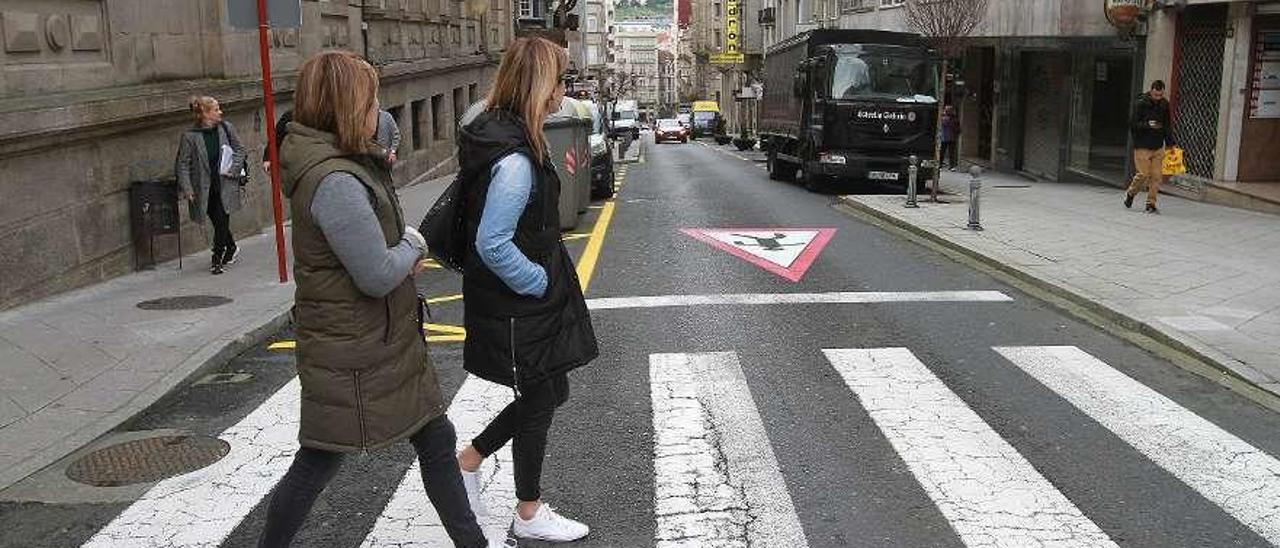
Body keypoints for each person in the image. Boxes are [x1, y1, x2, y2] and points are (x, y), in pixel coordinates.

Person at [262, 50, 499, 548]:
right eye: (371, 100)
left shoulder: (346, 164)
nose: (378, 110)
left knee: (435, 441)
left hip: (379, 341)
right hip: (355, 350)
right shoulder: (336, 180)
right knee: (318, 460)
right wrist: (413, 244)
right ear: (349, 106)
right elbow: (374, 273)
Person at [454, 36, 599, 543]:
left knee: (549, 389)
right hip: (522, 302)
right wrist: (537, 282)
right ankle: (529, 512)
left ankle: (469, 462)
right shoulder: (514, 158)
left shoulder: (510, 136)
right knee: (540, 395)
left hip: (521, 304)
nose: (564, 91)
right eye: (560, 81)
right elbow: (492, 243)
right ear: (540, 86)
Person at [174, 96, 246, 274]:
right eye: (216, 109)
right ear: (205, 114)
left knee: (222, 220)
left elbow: (240, 149)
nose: (220, 112)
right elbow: (182, 164)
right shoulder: (190, 137)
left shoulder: (226, 128)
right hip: (204, 189)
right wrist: (188, 189)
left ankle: (217, 258)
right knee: (218, 221)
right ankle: (231, 247)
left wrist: (234, 168)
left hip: (225, 184)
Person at [1125, 80, 1175, 214]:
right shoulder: (1141, 103)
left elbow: (1167, 125)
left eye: (1160, 95)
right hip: (1142, 145)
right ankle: (1131, 193)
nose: (1158, 98)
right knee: (1143, 174)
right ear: (1151, 91)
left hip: (1158, 145)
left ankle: (1150, 204)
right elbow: (1132, 124)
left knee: (1156, 176)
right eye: (1155, 95)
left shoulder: (1164, 104)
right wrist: (1148, 125)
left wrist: (1170, 143)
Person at [940, 105, 960, 171]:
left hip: (948, 137)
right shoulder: (945, 118)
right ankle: (948, 165)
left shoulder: (951, 118)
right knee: (945, 152)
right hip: (946, 137)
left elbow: (957, 128)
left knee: (949, 152)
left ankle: (950, 166)